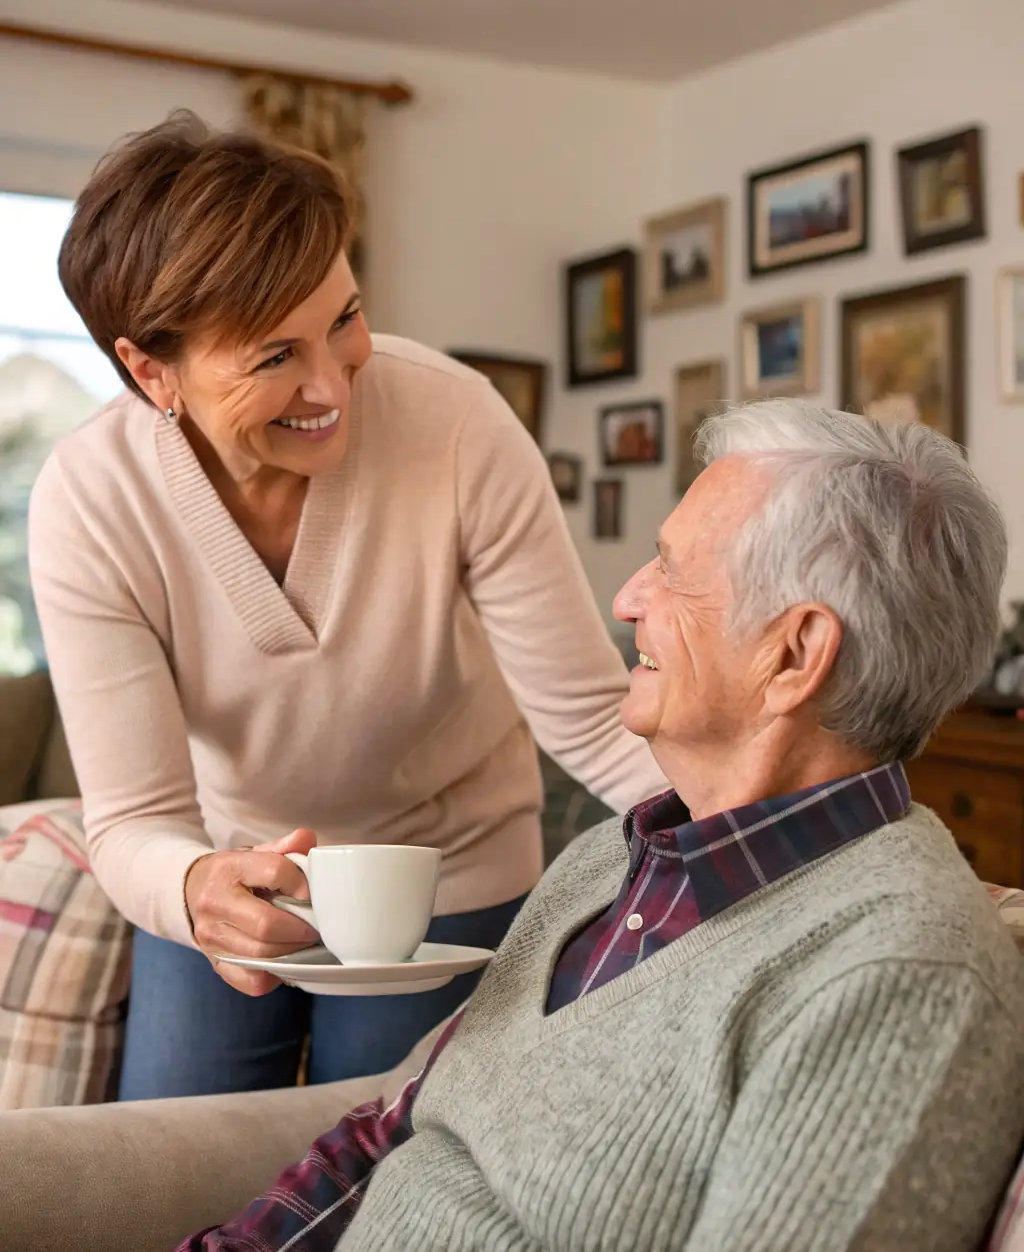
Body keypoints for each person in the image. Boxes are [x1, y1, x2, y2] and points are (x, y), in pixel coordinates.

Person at [179, 400, 1024, 1252]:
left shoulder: (902, 973)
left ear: (795, 654)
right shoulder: (609, 862)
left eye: (671, 569)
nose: (626, 599)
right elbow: (391, 1128)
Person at [27, 113, 667, 1101]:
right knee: (173, 1166)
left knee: (389, 1189)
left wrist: (772, 829)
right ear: (152, 370)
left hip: (449, 873)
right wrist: (198, 890)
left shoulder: (456, 424)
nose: (333, 382)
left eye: (344, 317)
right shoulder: (91, 498)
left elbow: (587, 717)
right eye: (273, 356)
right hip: (229, 868)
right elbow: (136, 819)